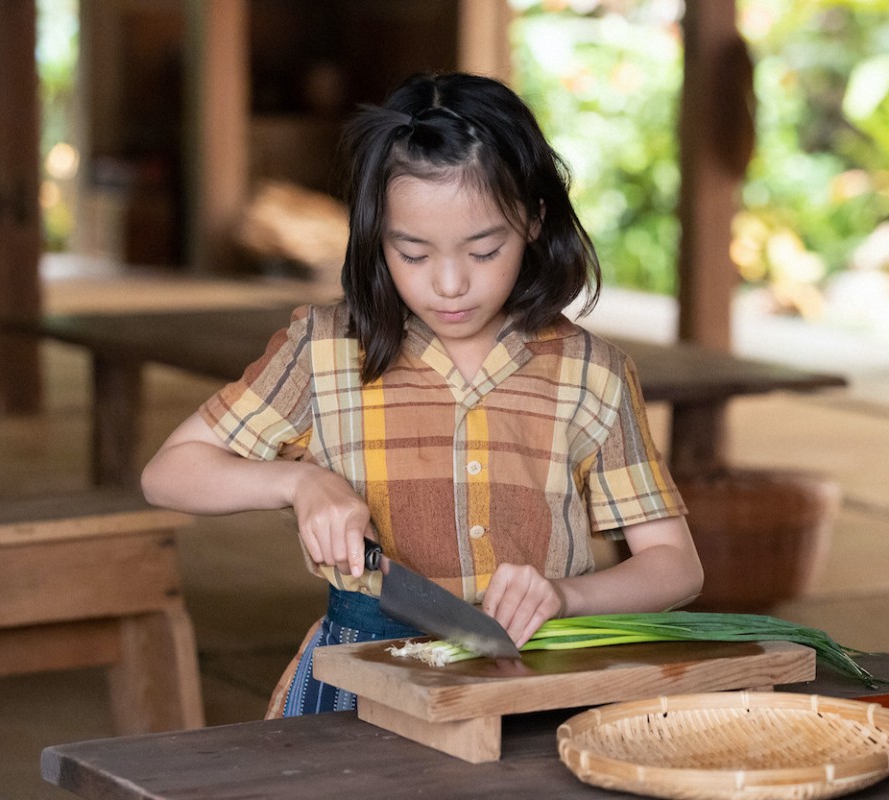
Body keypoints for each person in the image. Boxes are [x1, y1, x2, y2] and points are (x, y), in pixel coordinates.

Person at [141, 72, 704, 717]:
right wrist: (297, 485)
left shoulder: (588, 371)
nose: (450, 284)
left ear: (533, 222)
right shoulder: (325, 351)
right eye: (412, 253)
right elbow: (168, 474)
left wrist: (568, 595)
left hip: (538, 681)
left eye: (485, 250)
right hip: (361, 679)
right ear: (376, 236)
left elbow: (675, 565)